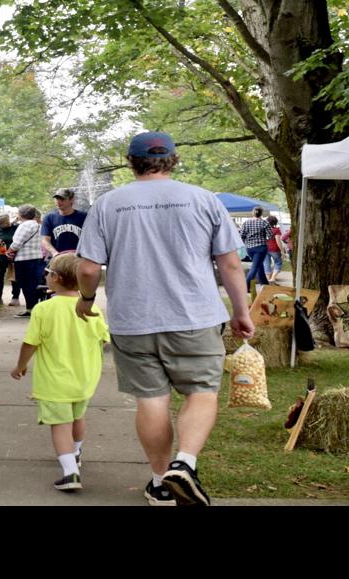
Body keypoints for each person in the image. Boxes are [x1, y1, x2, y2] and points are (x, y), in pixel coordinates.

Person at [74, 130, 255, 506]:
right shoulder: (203, 200)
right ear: (173, 159)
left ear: (131, 161)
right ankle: (185, 464)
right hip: (195, 315)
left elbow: (89, 267)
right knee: (201, 392)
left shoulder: (108, 204)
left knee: (151, 399)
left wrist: (87, 300)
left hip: (133, 319)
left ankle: (160, 482)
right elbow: (231, 263)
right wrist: (241, 311)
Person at [10, 253, 110, 493]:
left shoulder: (44, 309)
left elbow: (30, 343)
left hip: (55, 381)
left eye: (47, 272)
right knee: (78, 417)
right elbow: (104, 340)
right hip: (84, 379)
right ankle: (75, 453)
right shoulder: (92, 308)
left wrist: (21, 365)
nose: (45, 275)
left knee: (60, 425)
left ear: (54, 278)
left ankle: (69, 472)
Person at [10, 204, 44, 317]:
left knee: (26, 285)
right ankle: (37, 308)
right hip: (37, 257)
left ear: (20, 214)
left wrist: (9, 251)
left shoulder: (24, 226)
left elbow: (17, 243)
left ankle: (30, 309)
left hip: (24, 259)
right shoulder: (38, 225)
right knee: (35, 283)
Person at [40, 187, 88, 262]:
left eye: (62, 199)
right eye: (56, 199)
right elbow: (45, 239)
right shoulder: (49, 218)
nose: (58, 202)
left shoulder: (84, 217)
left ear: (71, 200)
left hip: (78, 258)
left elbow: (90, 237)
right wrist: (54, 252)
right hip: (57, 257)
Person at [240, 206, 273, 294]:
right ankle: (246, 287)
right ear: (261, 213)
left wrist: (247, 242)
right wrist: (263, 238)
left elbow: (241, 236)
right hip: (261, 248)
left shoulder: (246, 222)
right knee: (255, 267)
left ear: (253, 213)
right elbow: (270, 236)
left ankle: (265, 285)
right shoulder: (264, 222)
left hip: (249, 248)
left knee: (259, 266)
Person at [0, 212, 16, 303]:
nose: (1, 225)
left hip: (13, 257)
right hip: (0, 257)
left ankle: (15, 298)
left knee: (14, 277)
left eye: (3, 223)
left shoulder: (15, 228)